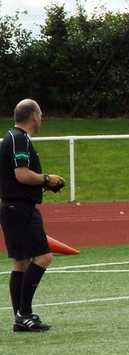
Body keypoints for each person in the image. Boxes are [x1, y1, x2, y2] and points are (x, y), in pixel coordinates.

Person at [1, 99, 65, 332]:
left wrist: (41, 185)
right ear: (34, 116)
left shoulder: (12, 137)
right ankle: (24, 313)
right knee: (43, 257)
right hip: (20, 209)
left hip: (11, 207)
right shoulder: (19, 139)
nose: (42, 118)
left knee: (21, 263)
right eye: (41, 113)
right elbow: (21, 174)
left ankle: (20, 318)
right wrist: (47, 179)